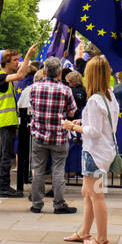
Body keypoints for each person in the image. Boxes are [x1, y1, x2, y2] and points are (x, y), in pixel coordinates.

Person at [61, 55, 119, 244]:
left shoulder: (95, 100)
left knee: (96, 195)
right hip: (103, 151)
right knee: (88, 193)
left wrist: (72, 126)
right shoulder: (110, 95)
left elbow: (94, 132)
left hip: (94, 153)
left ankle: (101, 237)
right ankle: (85, 232)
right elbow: (102, 126)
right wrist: (81, 122)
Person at [26, 56, 78, 215]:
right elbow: (71, 111)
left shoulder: (35, 87)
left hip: (39, 134)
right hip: (59, 135)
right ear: (60, 72)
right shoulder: (65, 90)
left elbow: (32, 106)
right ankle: (59, 204)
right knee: (58, 170)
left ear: (44, 71)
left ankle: (36, 203)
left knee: (38, 170)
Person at [0, 44, 39, 197]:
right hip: (5, 122)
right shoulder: (0, 77)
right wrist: (28, 56)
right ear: (5, 62)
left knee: (7, 155)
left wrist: (26, 59)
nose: (17, 63)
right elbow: (20, 75)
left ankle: (4, 187)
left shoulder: (3, 77)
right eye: (14, 60)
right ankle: (3, 187)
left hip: (8, 121)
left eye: (18, 60)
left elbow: (21, 73)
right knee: (6, 156)